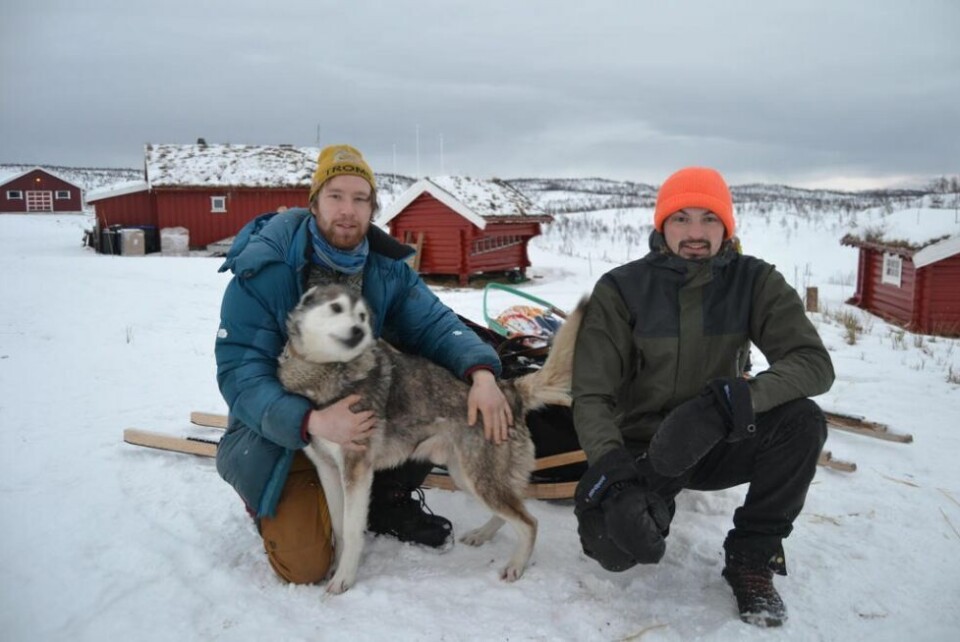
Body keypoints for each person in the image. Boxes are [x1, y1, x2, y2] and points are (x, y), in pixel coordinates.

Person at [214, 144, 514, 585]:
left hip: (355, 422)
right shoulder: (267, 268)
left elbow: (434, 325)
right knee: (306, 566)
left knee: (415, 377)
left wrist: (482, 373)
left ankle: (382, 496)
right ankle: (274, 500)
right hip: (278, 431)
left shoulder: (386, 268)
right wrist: (311, 420)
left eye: (361, 198)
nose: (348, 210)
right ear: (314, 202)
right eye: (336, 196)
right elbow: (240, 373)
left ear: (373, 207)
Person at [571, 166, 834, 627]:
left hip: (718, 441)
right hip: (648, 450)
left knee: (803, 421)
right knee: (611, 548)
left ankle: (752, 558)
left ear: (727, 226)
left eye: (709, 218)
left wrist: (732, 403)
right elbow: (592, 393)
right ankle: (643, 504)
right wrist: (612, 472)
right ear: (662, 225)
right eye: (681, 218)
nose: (695, 233)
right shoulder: (621, 289)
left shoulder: (753, 281)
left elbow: (813, 362)